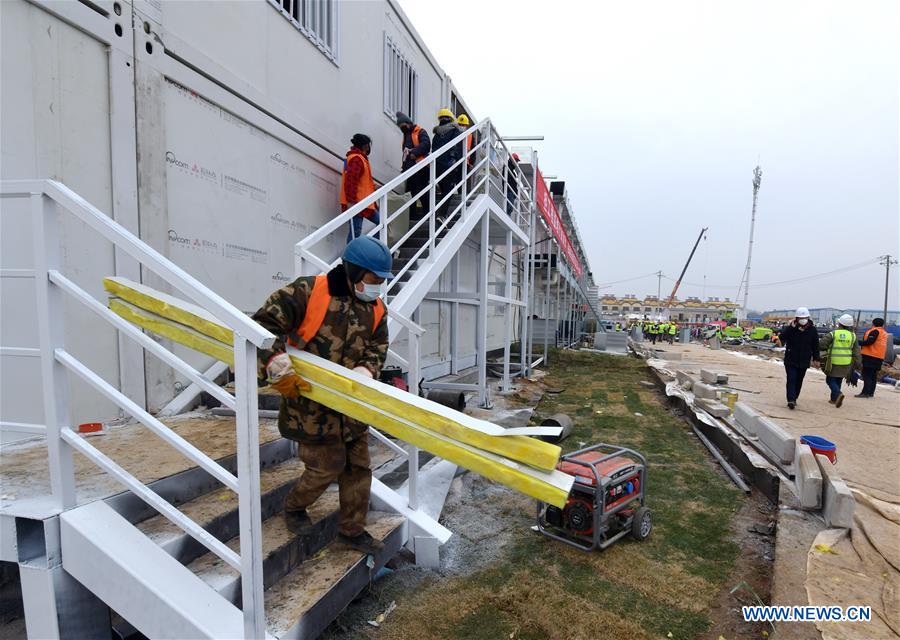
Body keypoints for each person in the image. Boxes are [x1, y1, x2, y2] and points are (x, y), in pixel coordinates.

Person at [252, 236, 392, 555]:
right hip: (310, 406)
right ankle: (294, 506)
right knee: (326, 467)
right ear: (354, 272)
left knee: (358, 469)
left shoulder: (377, 308)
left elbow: (377, 346)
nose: (378, 287)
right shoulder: (308, 292)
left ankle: (351, 531)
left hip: (352, 409)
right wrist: (275, 363)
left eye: (383, 281)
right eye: (374, 280)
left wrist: (367, 371)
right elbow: (262, 326)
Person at [777, 307, 820, 409]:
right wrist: (791, 328)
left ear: (808, 317)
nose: (803, 319)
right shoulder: (791, 329)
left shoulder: (812, 330)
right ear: (796, 318)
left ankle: (794, 398)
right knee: (791, 379)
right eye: (801, 317)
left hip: (804, 360)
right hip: (791, 359)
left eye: (805, 317)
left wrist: (816, 358)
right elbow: (782, 337)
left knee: (799, 380)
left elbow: (815, 345)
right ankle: (791, 400)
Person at [340, 134, 378, 244]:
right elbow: (351, 181)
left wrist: (373, 186)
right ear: (366, 145)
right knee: (355, 233)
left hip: (363, 203)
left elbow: (356, 180)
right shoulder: (357, 159)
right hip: (358, 203)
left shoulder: (356, 158)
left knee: (355, 233)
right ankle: (350, 258)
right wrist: (351, 202)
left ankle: (364, 249)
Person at [395, 112, 431, 225]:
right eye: (400, 128)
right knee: (410, 193)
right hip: (410, 170)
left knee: (423, 192)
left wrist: (414, 152)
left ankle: (428, 214)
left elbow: (426, 145)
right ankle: (412, 217)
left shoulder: (420, 131)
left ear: (408, 123)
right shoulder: (406, 135)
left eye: (403, 126)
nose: (402, 129)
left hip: (421, 168)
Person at [819, 314, 861, 408]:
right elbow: (856, 351)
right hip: (846, 362)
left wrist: (825, 351)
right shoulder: (853, 336)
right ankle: (834, 400)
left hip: (833, 361)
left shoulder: (833, 334)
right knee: (838, 379)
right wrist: (858, 364)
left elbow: (822, 344)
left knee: (830, 379)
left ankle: (838, 394)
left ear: (840, 324)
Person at [432, 108, 463, 219]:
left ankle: (438, 213)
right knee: (448, 190)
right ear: (450, 119)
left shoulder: (436, 135)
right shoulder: (455, 131)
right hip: (449, 165)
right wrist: (457, 164)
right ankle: (441, 215)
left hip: (437, 167)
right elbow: (456, 148)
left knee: (443, 190)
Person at [857, 317, 889, 398]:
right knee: (873, 375)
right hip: (879, 356)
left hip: (870, 356)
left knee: (867, 374)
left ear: (873, 323)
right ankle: (871, 392)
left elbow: (869, 342)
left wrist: (857, 342)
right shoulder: (883, 332)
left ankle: (865, 392)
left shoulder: (875, 331)